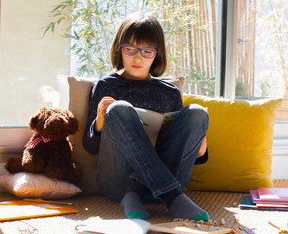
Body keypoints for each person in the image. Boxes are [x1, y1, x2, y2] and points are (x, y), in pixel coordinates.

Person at [82, 12, 209, 221]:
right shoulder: (105, 86)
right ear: (119, 48)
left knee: (197, 112)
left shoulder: (170, 92)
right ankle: (173, 197)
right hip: (117, 182)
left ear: (157, 54)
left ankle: (135, 195)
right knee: (119, 109)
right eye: (130, 49)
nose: (137, 57)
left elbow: (184, 153)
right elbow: (90, 148)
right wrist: (101, 123)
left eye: (146, 51)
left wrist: (200, 149)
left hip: (167, 175)